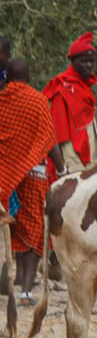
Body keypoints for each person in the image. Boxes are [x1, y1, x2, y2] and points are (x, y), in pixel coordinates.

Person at [0, 56, 52, 298]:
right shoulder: (39, 101)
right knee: (32, 229)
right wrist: (61, 170)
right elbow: (48, 140)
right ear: (29, 78)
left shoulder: (1, 101)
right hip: (33, 175)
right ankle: (27, 289)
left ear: (6, 77)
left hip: (4, 178)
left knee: (13, 228)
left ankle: (15, 278)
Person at [46, 33, 97, 172]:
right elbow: (59, 132)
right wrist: (66, 166)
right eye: (83, 61)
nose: (88, 65)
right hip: (74, 161)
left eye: (91, 61)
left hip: (91, 159)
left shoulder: (83, 86)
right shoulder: (62, 89)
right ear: (73, 61)